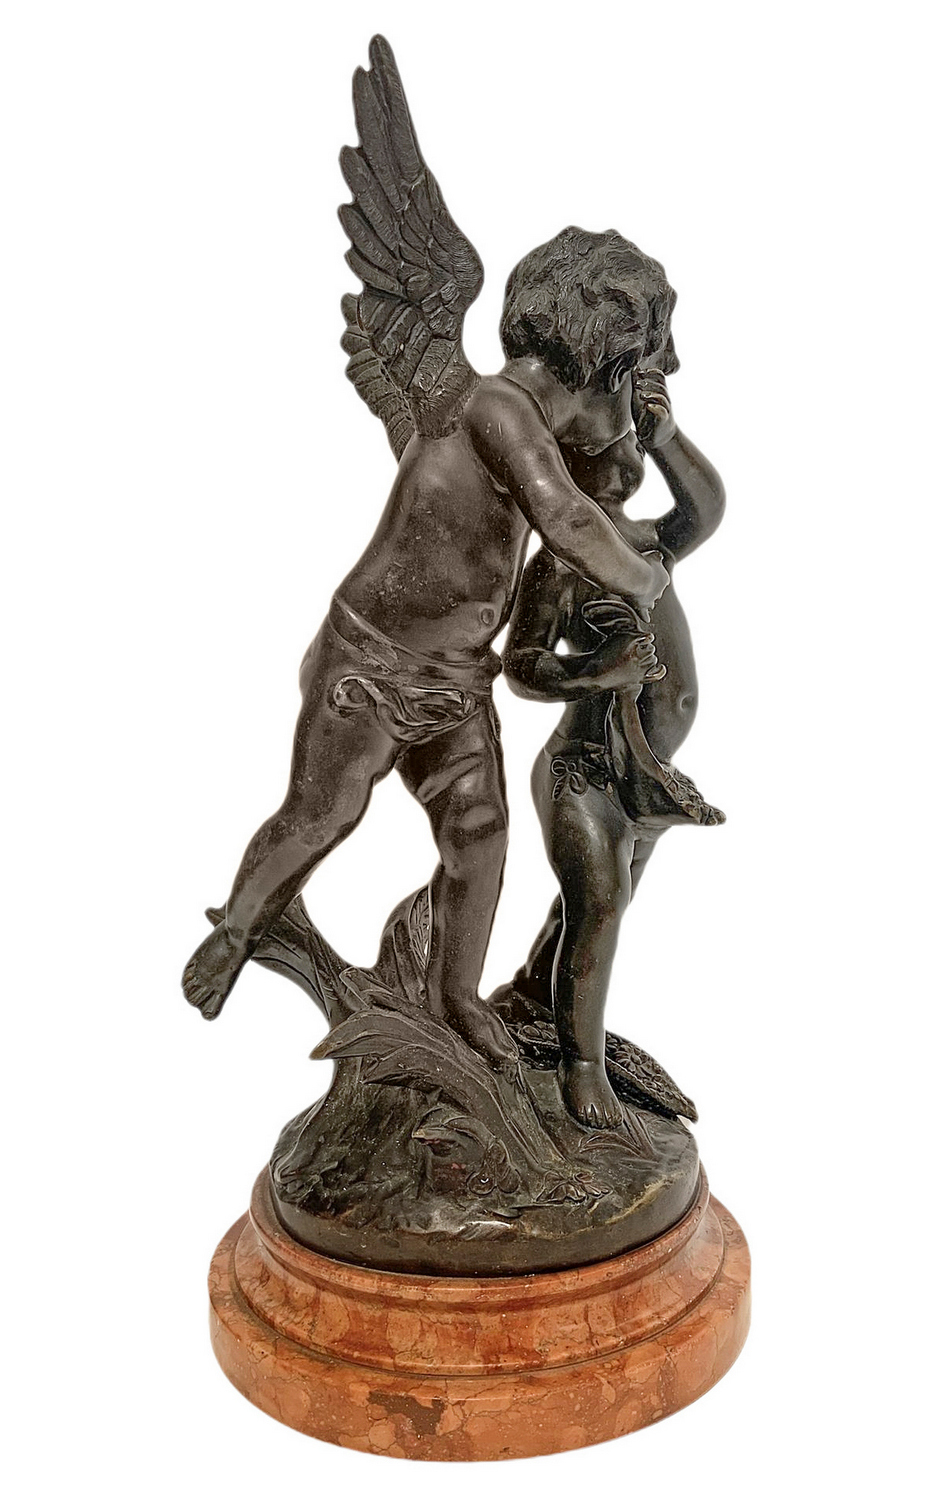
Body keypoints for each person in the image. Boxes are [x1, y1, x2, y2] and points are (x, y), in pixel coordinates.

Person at [183, 228, 675, 1066]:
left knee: (479, 832)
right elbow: (566, 518)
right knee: (323, 812)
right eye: (641, 374)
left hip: (456, 679)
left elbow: (590, 493)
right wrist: (641, 577)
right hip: (369, 664)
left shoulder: (523, 426)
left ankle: (454, 996)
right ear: (607, 367)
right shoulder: (496, 409)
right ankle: (236, 929)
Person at [501, 316, 726, 1124]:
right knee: (598, 905)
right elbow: (520, 665)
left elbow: (705, 509)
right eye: (613, 442)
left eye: (632, 441)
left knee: (601, 905)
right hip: (585, 774)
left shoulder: (647, 545)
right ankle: (581, 1068)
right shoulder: (560, 562)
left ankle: (531, 997)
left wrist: (670, 439)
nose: (626, 452)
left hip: (643, 776)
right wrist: (598, 670)